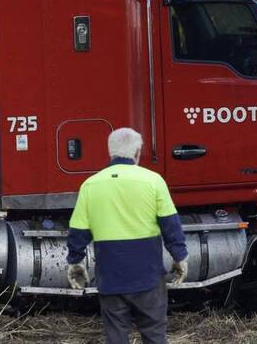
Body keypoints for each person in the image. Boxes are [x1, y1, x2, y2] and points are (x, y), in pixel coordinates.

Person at [66, 127, 188, 344]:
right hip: (148, 279)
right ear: (138, 152)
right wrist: (180, 256)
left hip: (111, 279)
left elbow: (78, 233)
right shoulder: (153, 180)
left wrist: (75, 261)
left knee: (116, 338)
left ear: (110, 152)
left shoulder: (90, 185)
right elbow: (171, 225)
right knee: (155, 336)